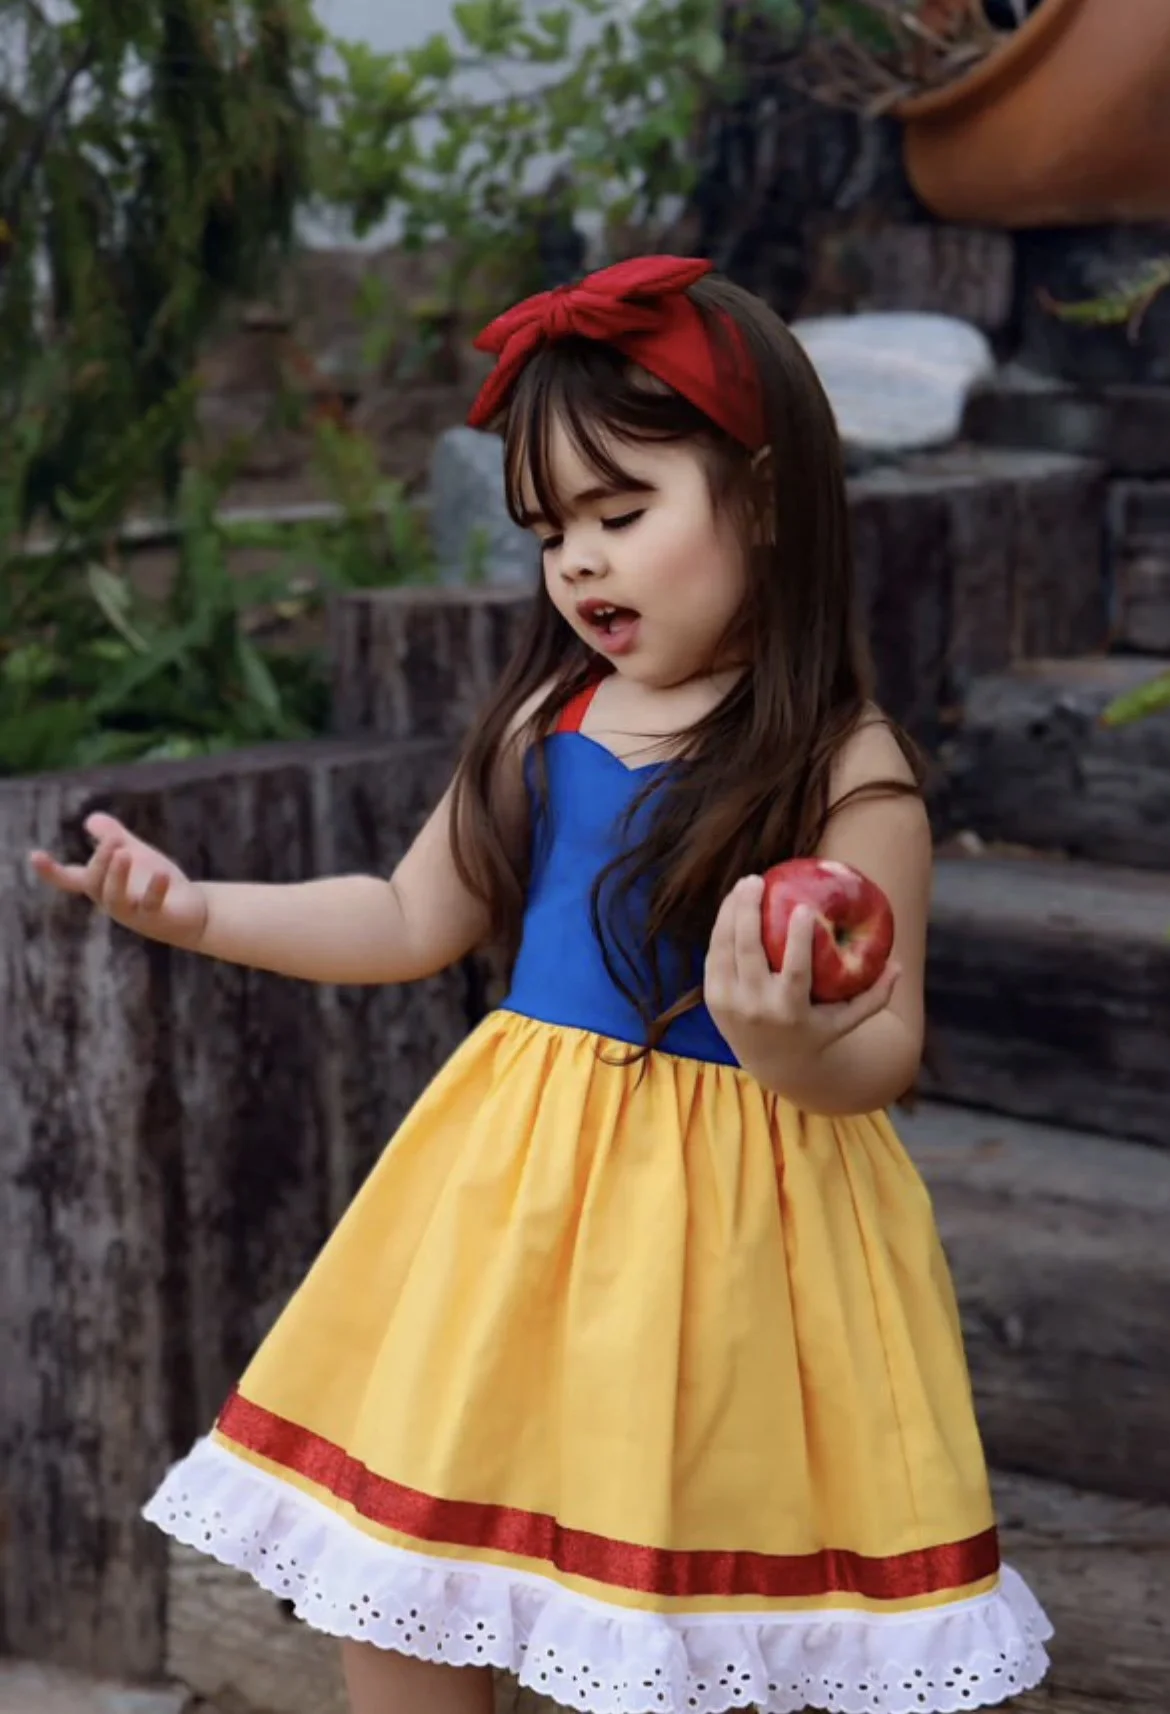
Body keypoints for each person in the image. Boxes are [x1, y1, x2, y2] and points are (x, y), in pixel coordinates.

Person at [30, 256, 1051, 1714]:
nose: (579, 563)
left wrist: (788, 1045)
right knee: (411, 1575)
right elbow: (403, 913)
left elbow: (881, 1045)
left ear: (764, 501)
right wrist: (194, 911)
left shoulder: (843, 762)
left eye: (621, 514)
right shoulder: (541, 724)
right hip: (511, 1212)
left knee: (681, 1601)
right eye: (551, 530)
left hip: (737, 1243)